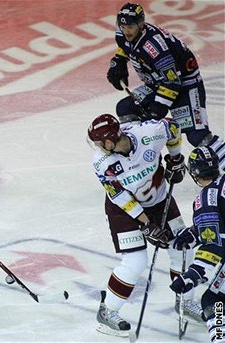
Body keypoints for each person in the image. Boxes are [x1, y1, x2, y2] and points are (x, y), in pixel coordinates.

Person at [88, 113, 203, 337]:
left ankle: (185, 302)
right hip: (123, 211)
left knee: (182, 248)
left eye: (99, 142)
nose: (97, 147)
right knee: (135, 261)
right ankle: (107, 311)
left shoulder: (149, 134)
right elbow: (119, 196)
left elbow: (173, 127)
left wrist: (176, 158)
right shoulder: (101, 162)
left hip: (159, 199)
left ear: (110, 141)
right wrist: (146, 225)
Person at [106, 2, 225, 170]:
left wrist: (157, 109)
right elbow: (126, 47)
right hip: (158, 83)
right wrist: (118, 61)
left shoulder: (154, 47)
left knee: (197, 135)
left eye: (130, 26)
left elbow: (173, 82)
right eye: (123, 26)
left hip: (185, 85)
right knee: (126, 109)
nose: (126, 31)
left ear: (141, 24)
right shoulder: (123, 33)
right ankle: (143, 161)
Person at [171, 146, 225, 342]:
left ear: (193, 172)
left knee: (213, 301)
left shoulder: (206, 198)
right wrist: (195, 233)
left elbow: (214, 246)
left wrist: (192, 275)